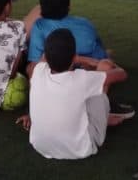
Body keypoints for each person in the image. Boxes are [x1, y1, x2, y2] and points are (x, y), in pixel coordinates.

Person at [16, 29, 130, 160]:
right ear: (74, 57)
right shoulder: (82, 79)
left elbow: (43, 58)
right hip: (81, 149)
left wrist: (76, 58)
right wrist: (100, 62)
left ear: (46, 56)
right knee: (103, 72)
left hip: (40, 146)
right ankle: (101, 122)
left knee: (80, 93)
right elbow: (122, 74)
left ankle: (99, 120)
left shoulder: (38, 71)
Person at [26, 0, 109, 73]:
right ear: (68, 5)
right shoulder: (85, 23)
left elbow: (35, 63)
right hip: (90, 70)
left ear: (42, 7)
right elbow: (99, 48)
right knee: (104, 62)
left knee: (31, 68)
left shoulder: (39, 26)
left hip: (62, 72)